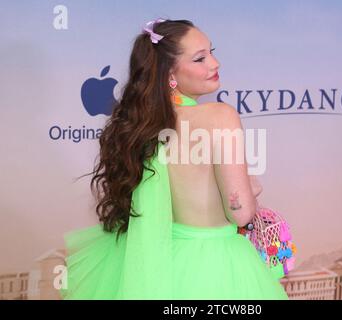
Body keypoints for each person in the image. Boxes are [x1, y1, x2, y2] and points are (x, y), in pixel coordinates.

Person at [60, 18, 288, 300]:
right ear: (170, 73)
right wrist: (251, 190)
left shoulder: (144, 125)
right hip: (216, 265)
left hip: (159, 261)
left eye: (212, 52)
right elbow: (239, 212)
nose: (214, 64)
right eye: (200, 58)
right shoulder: (219, 116)